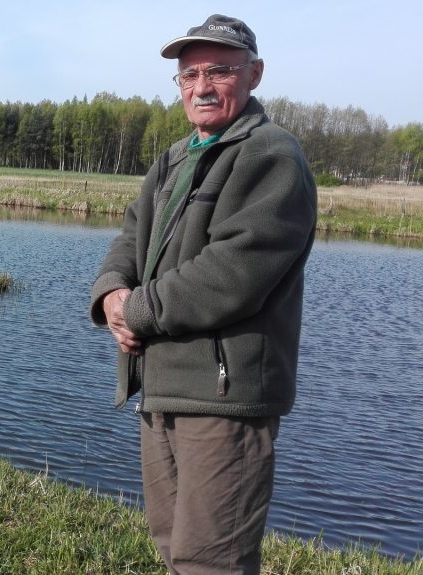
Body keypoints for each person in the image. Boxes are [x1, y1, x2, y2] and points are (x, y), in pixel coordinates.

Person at [89, 14, 317, 575]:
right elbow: (130, 237)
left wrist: (138, 310)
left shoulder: (271, 156)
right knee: (173, 546)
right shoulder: (174, 157)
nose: (201, 86)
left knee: (211, 561)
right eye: (188, 75)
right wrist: (111, 295)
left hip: (225, 398)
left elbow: (231, 273)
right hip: (162, 387)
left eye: (219, 70)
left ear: (255, 74)